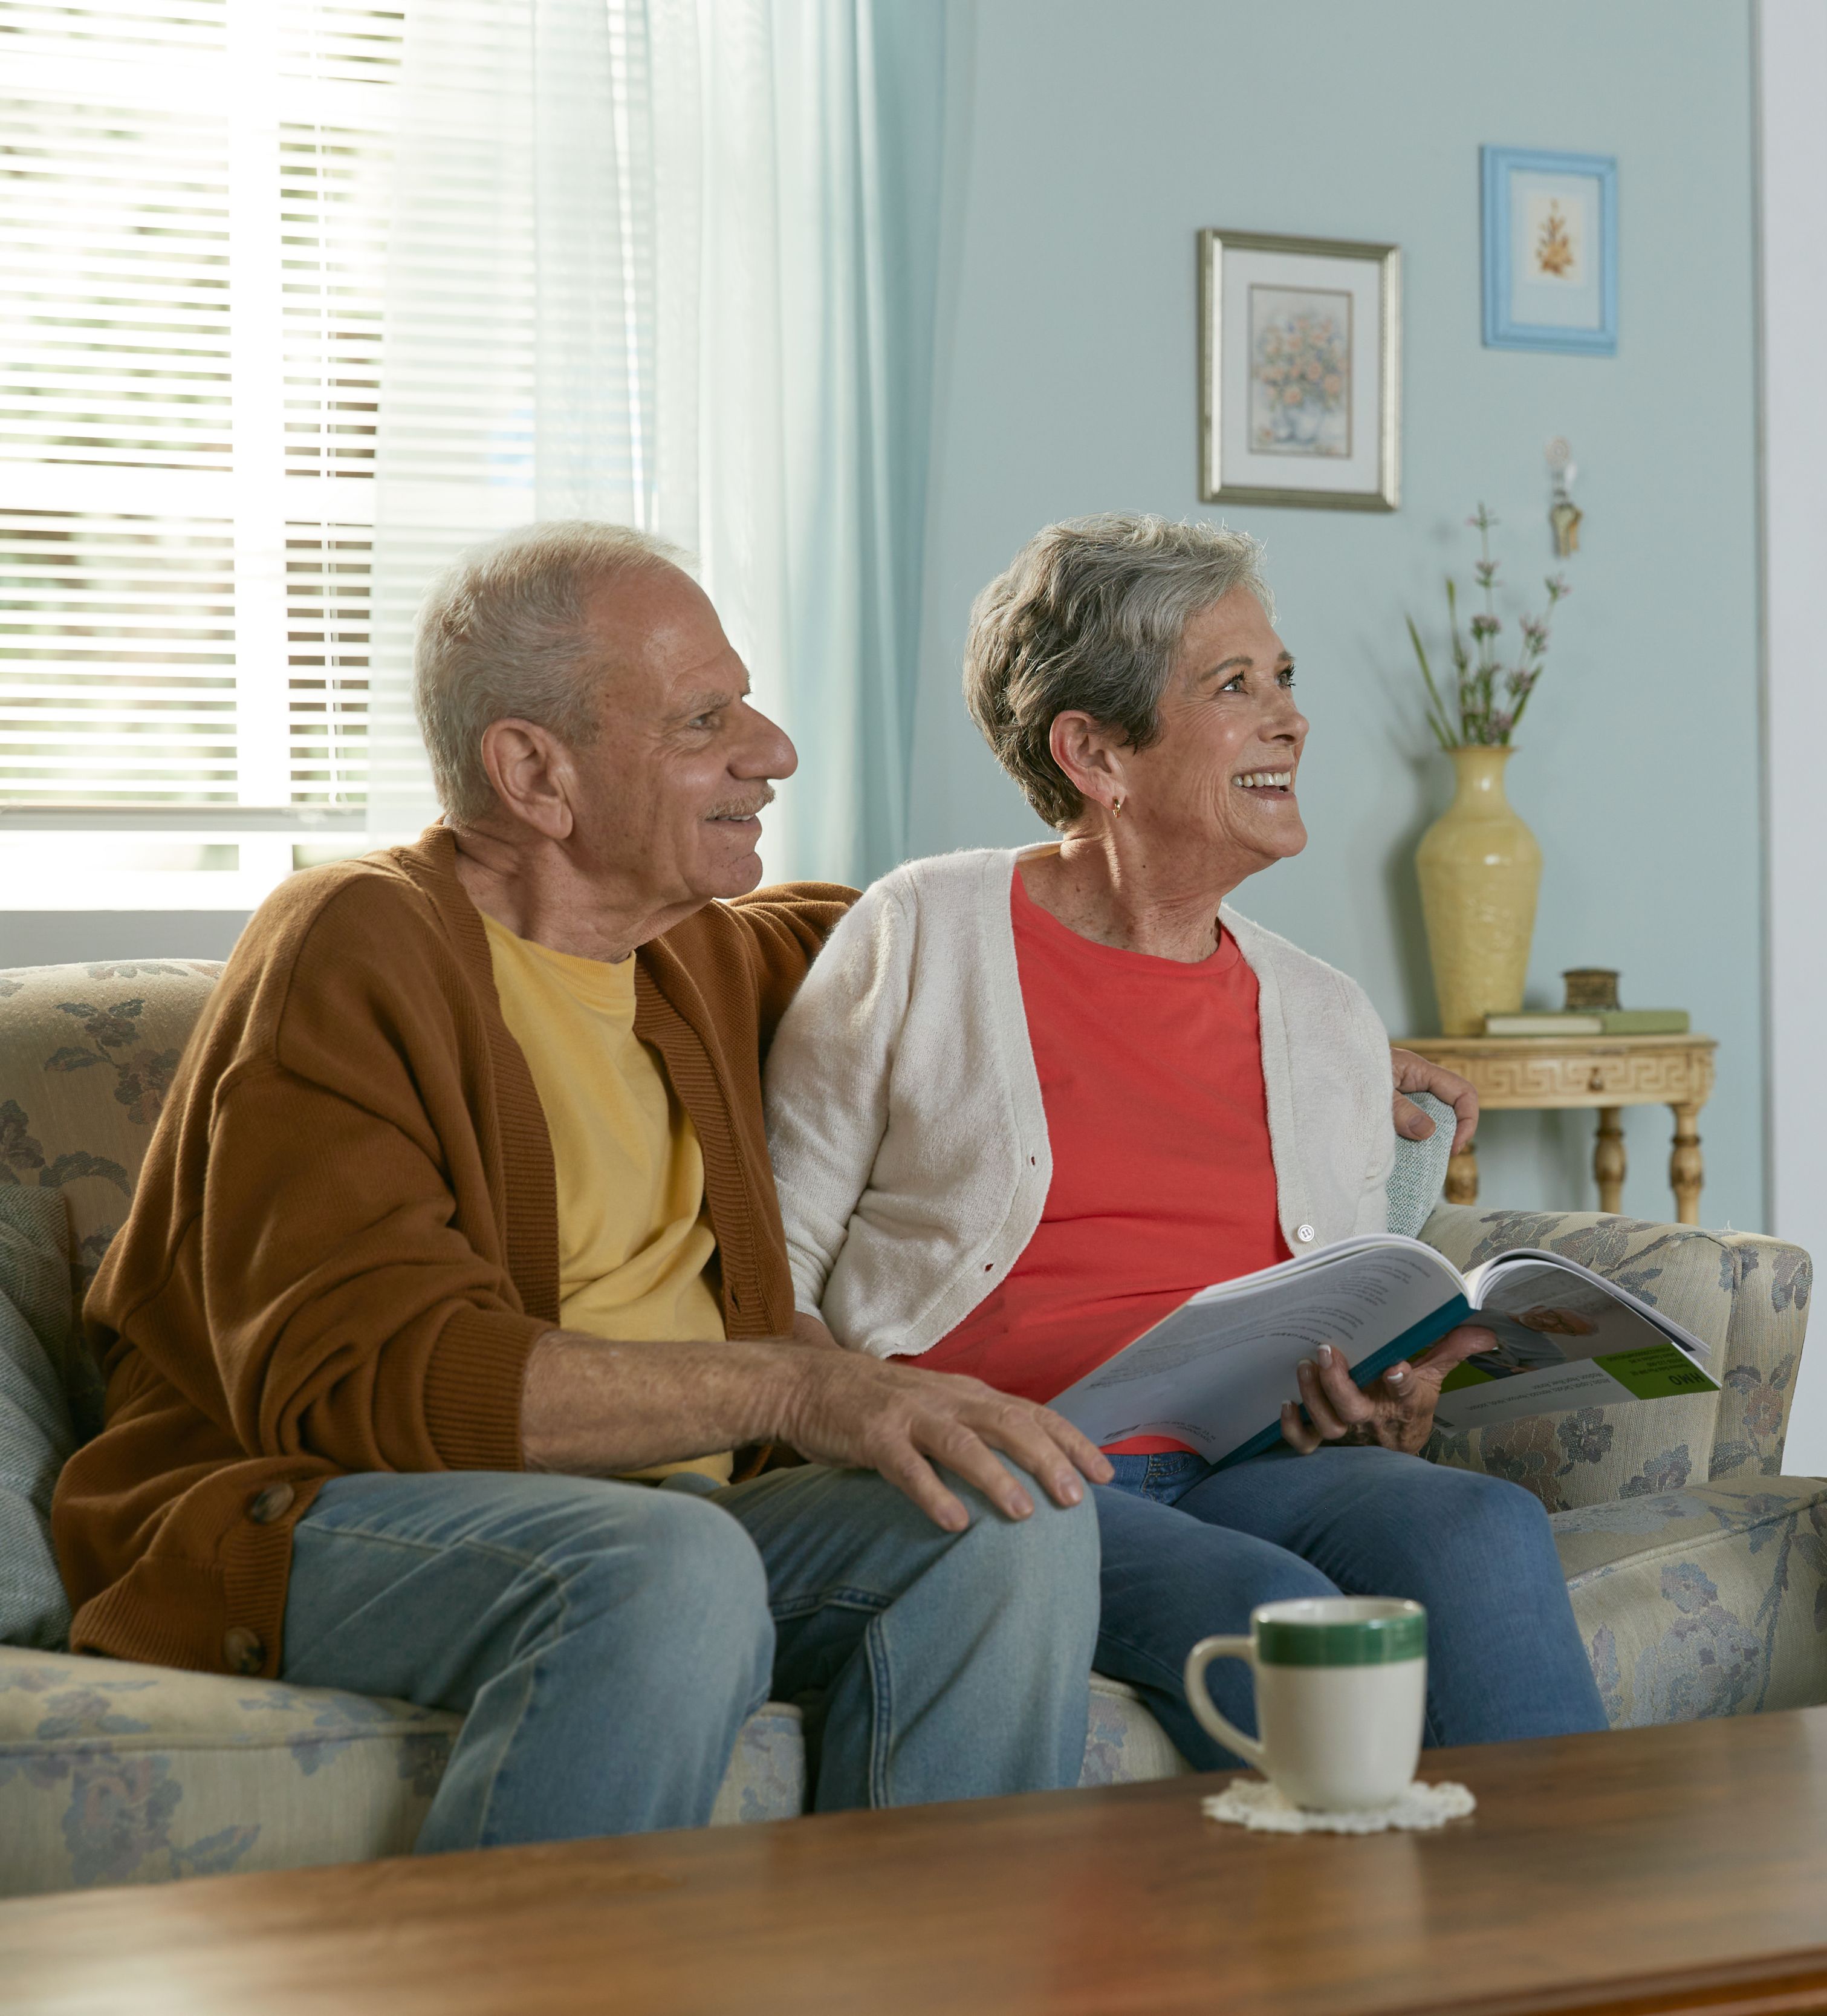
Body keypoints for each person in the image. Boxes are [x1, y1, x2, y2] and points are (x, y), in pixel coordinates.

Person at [50, 522, 1118, 1847]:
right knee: (668, 1563)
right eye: (704, 719)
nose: (772, 748)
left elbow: (1028, 949)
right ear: (533, 772)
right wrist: (795, 1382)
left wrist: (1349, 1062)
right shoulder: (355, 940)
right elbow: (367, 1378)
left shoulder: (716, 957)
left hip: (679, 1518)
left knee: (1007, 1516)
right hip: (309, 1512)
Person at [765, 512, 1608, 1765]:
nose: (1289, 719)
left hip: (1236, 1463)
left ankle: (1572, 1942)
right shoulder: (922, 933)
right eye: (1234, 686)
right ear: (1093, 751)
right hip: (1003, 1476)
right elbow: (766, 1263)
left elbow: (1335, 1309)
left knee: (1476, 1525)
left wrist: (1380, 1395)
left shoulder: (1321, 1013)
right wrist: (866, 1401)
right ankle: (1342, 1945)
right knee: (1266, 1613)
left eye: (1283, 680)